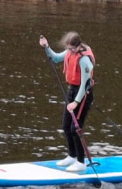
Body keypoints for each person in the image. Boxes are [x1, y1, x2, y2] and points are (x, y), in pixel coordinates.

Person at [40, 31, 96, 173]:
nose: (69, 51)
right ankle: (72, 155)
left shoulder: (84, 60)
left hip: (83, 95)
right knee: (66, 125)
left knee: (75, 129)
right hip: (71, 91)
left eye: (72, 49)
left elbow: (84, 84)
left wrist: (76, 102)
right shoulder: (70, 52)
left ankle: (81, 161)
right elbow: (56, 58)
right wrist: (47, 47)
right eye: (68, 48)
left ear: (78, 46)